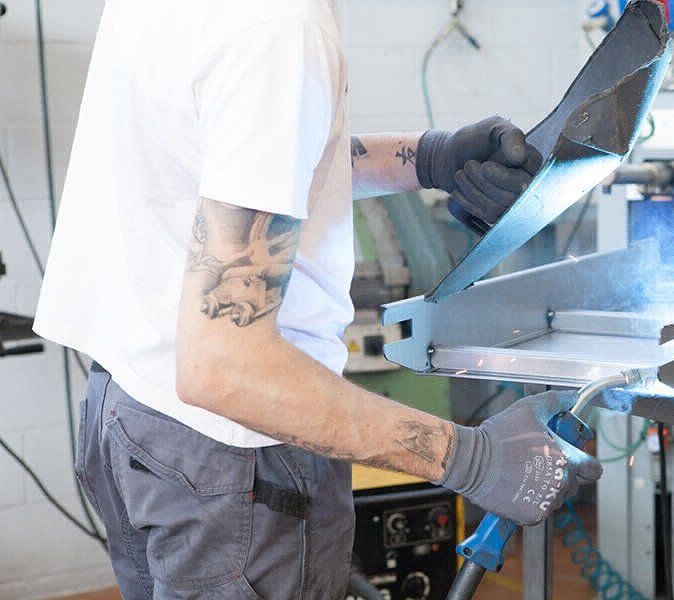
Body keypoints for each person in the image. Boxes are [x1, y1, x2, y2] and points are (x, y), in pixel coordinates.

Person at [33, 0, 603, 597]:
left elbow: (241, 160)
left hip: (131, 411)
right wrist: (472, 458)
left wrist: (429, 158)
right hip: (234, 460)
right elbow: (226, 371)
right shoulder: (281, 25)